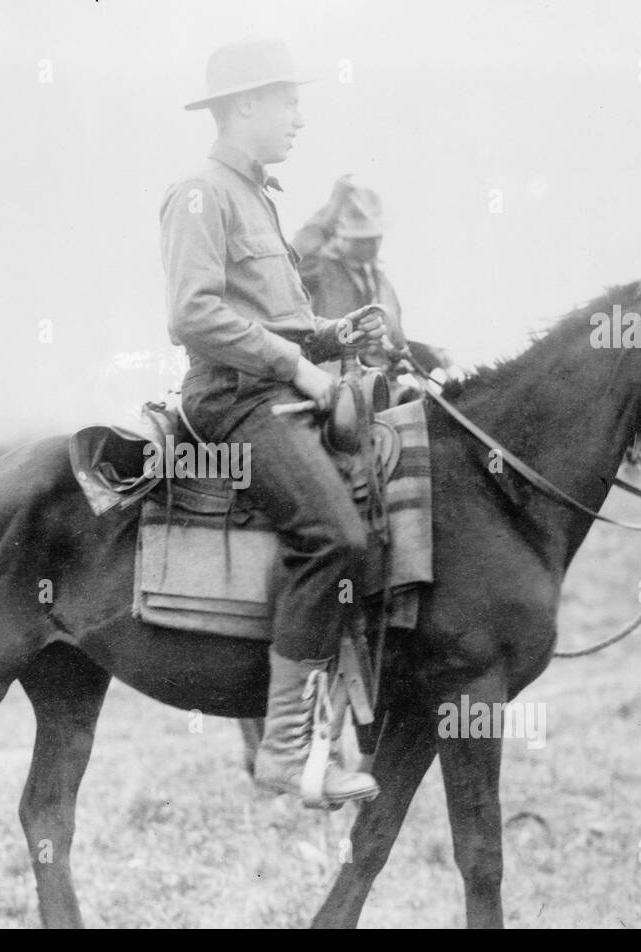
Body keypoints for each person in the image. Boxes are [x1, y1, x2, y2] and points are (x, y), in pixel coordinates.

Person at [161, 38, 391, 807]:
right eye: (287, 101)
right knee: (336, 535)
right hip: (235, 400)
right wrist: (299, 367)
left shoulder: (261, 196)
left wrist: (332, 336)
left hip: (276, 390)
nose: (299, 116)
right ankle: (285, 753)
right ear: (245, 106)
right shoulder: (200, 194)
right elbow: (194, 314)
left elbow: (280, 318)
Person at [294, 176, 453, 385]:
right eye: (361, 240)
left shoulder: (380, 278)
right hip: (334, 379)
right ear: (340, 237)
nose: (371, 245)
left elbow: (396, 337)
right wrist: (333, 206)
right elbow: (299, 250)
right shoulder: (318, 269)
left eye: (375, 238)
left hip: (382, 378)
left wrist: (427, 353)